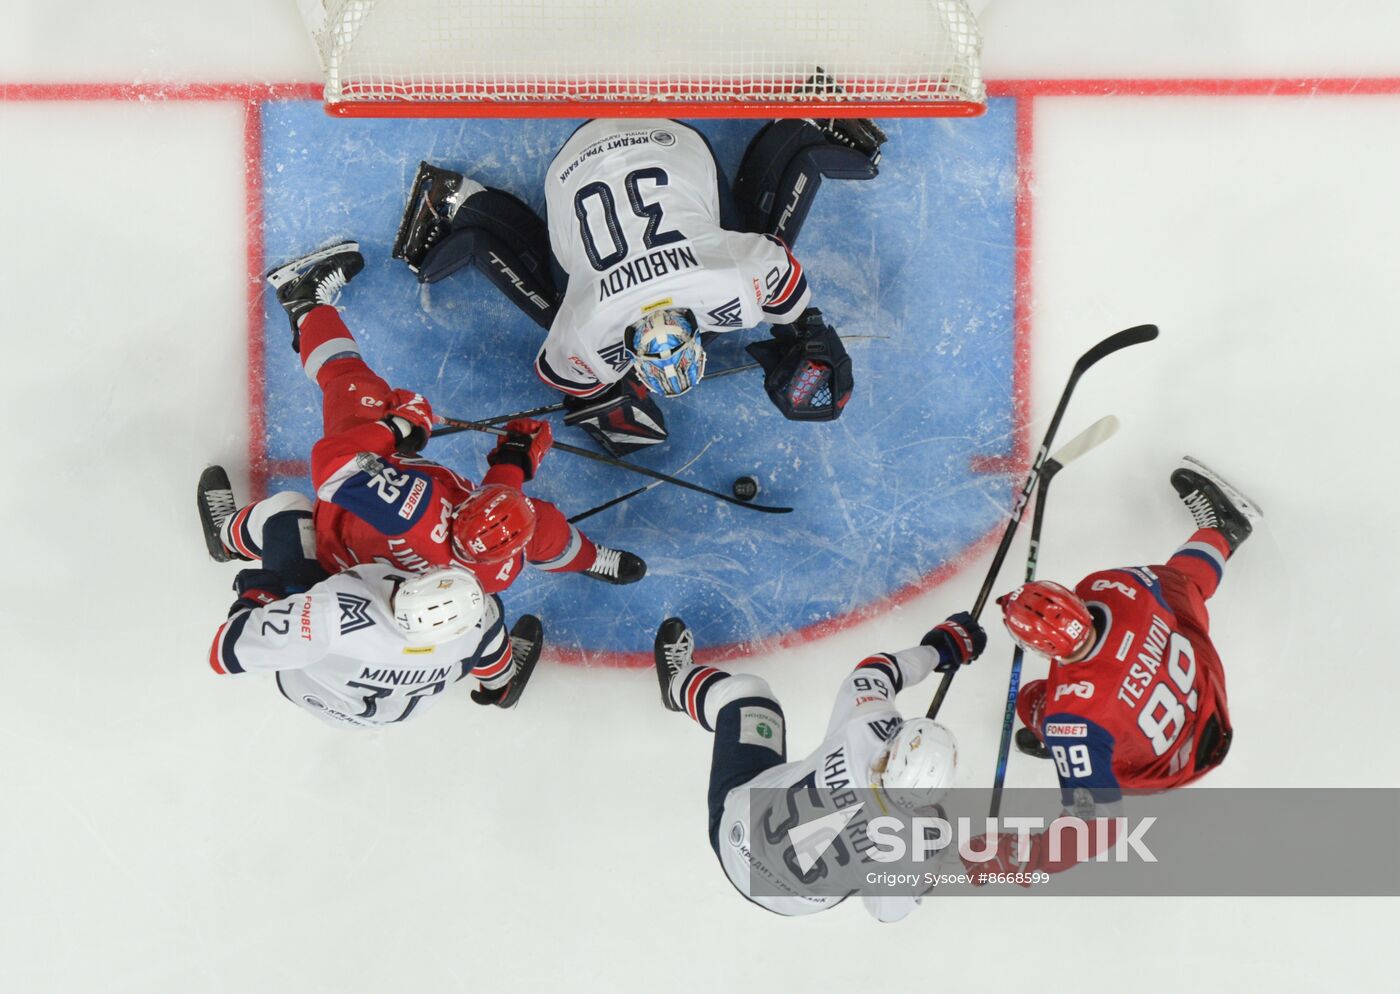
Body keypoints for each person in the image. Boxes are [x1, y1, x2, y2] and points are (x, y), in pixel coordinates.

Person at [392, 114, 884, 455]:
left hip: (665, 139)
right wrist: (606, 388)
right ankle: (458, 202)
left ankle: (807, 127)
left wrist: (804, 329)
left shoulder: (729, 282)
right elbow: (570, 379)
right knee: (563, 310)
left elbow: (779, 268)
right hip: (572, 165)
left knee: (752, 242)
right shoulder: (588, 332)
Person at [233, 240, 646, 591]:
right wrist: (513, 461)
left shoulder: (414, 512)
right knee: (544, 529)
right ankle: (588, 558)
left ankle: (304, 301)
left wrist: (398, 426)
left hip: (336, 527)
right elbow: (496, 520)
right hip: (370, 581)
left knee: (352, 391)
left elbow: (334, 466)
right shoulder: (493, 576)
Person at [969, 457, 1262, 883]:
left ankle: (1088, 759)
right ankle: (1223, 531)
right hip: (1205, 692)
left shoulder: (1071, 721)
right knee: (1177, 583)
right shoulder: (1108, 588)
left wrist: (1031, 859)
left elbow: (1099, 827)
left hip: (1170, 767)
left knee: (1033, 699)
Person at [650, 612, 986, 920]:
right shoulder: (912, 848)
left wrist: (941, 649)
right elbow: (885, 912)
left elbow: (875, 671)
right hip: (794, 901)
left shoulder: (867, 731)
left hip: (738, 834)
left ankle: (677, 683)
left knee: (748, 694)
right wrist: (929, 864)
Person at [198, 465, 542, 727]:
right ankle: (501, 685)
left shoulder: (332, 614)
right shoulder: (473, 629)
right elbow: (482, 631)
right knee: (488, 619)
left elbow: (224, 652)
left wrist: (260, 595)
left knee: (287, 509)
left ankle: (226, 538)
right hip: (392, 712)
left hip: (307, 684)